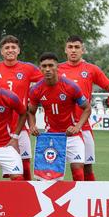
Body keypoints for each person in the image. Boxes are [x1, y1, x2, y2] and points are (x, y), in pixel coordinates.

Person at [0, 35, 42, 180]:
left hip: (20, 125)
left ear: (18, 50)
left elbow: (48, 78)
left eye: (13, 47)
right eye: (6, 48)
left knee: (24, 166)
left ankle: (28, 198)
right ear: (1, 51)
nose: (10, 50)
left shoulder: (28, 68)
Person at [28, 52, 91, 181]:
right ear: (40, 68)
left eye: (51, 65)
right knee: (46, 178)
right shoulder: (36, 89)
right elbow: (31, 111)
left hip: (72, 136)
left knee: (79, 172)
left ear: (57, 67)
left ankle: (78, 200)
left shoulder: (70, 86)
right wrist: (32, 125)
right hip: (51, 136)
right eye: (44, 66)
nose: (47, 69)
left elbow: (87, 108)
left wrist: (77, 127)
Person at [58, 35, 109, 181]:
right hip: (60, 127)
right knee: (55, 167)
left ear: (83, 50)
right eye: (70, 47)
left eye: (77, 47)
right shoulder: (57, 69)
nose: (73, 50)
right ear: (65, 50)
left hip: (84, 126)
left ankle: (88, 199)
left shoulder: (91, 69)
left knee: (87, 167)